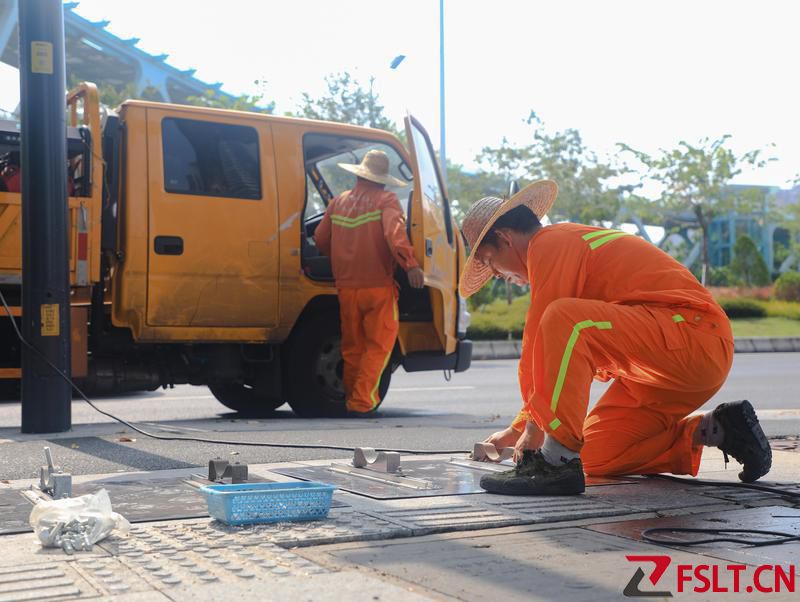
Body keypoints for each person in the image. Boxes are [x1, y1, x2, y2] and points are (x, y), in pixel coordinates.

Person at [459, 180, 772, 495]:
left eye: (489, 263)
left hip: (694, 337)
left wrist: (533, 431)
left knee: (561, 318)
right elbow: (553, 364)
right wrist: (517, 431)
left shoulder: (549, 242)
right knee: (593, 455)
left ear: (504, 238)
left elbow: (538, 341)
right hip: (662, 367)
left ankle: (555, 464)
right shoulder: (560, 256)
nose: (500, 277)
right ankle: (715, 429)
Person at [315, 149, 425, 415]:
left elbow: (320, 238)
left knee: (353, 347)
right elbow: (395, 235)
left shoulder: (338, 202)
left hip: (346, 288)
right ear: (383, 178)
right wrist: (410, 265)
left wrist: (342, 257)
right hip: (377, 287)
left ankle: (352, 397)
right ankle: (362, 402)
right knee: (379, 346)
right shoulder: (386, 200)